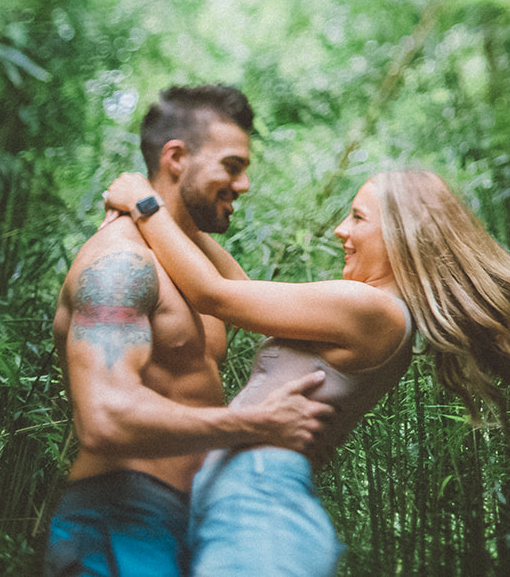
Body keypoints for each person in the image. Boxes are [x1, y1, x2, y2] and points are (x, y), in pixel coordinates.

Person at [104, 167, 510, 577]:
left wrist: (145, 204)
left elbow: (214, 295)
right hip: (239, 503)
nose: (340, 229)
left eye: (358, 218)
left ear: (407, 237)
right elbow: (240, 287)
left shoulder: (375, 312)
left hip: (260, 508)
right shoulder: (369, 311)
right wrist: (176, 218)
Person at [46, 85, 335, 577]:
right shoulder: (120, 262)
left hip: (190, 521)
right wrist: (258, 424)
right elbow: (104, 418)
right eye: (232, 165)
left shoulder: (195, 269)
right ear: (176, 157)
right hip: (119, 517)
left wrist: (150, 207)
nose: (242, 184)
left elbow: (255, 307)